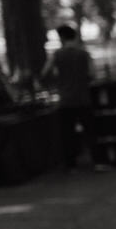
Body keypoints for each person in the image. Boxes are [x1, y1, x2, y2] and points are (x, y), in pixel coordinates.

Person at [40, 24, 106, 172]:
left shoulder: (57, 55)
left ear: (62, 37)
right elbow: (92, 74)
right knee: (91, 132)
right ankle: (98, 161)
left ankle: (70, 164)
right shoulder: (84, 54)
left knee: (67, 133)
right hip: (83, 98)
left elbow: (45, 73)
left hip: (65, 100)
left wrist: (58, 79)